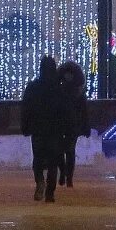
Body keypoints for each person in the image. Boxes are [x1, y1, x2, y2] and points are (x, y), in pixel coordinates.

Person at [21, 56, 66, 203]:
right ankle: (50, 192)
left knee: (38, 159)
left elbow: (26, 109)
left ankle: (40, 181)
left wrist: (26, 126)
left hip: (38, 128)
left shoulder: (33, 87)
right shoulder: (59, 88)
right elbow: (65, 110)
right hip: (55, 130)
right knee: (53, 161)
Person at [57, 61, 91, 188]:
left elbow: (84, 111)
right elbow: (84, 111)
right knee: (64, 151)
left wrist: (85, 125)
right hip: (67, 124)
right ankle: (66, 174)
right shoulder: (77, 92)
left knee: (67, 150)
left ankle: (67, 175)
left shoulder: (63, 91)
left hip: (69, 124)